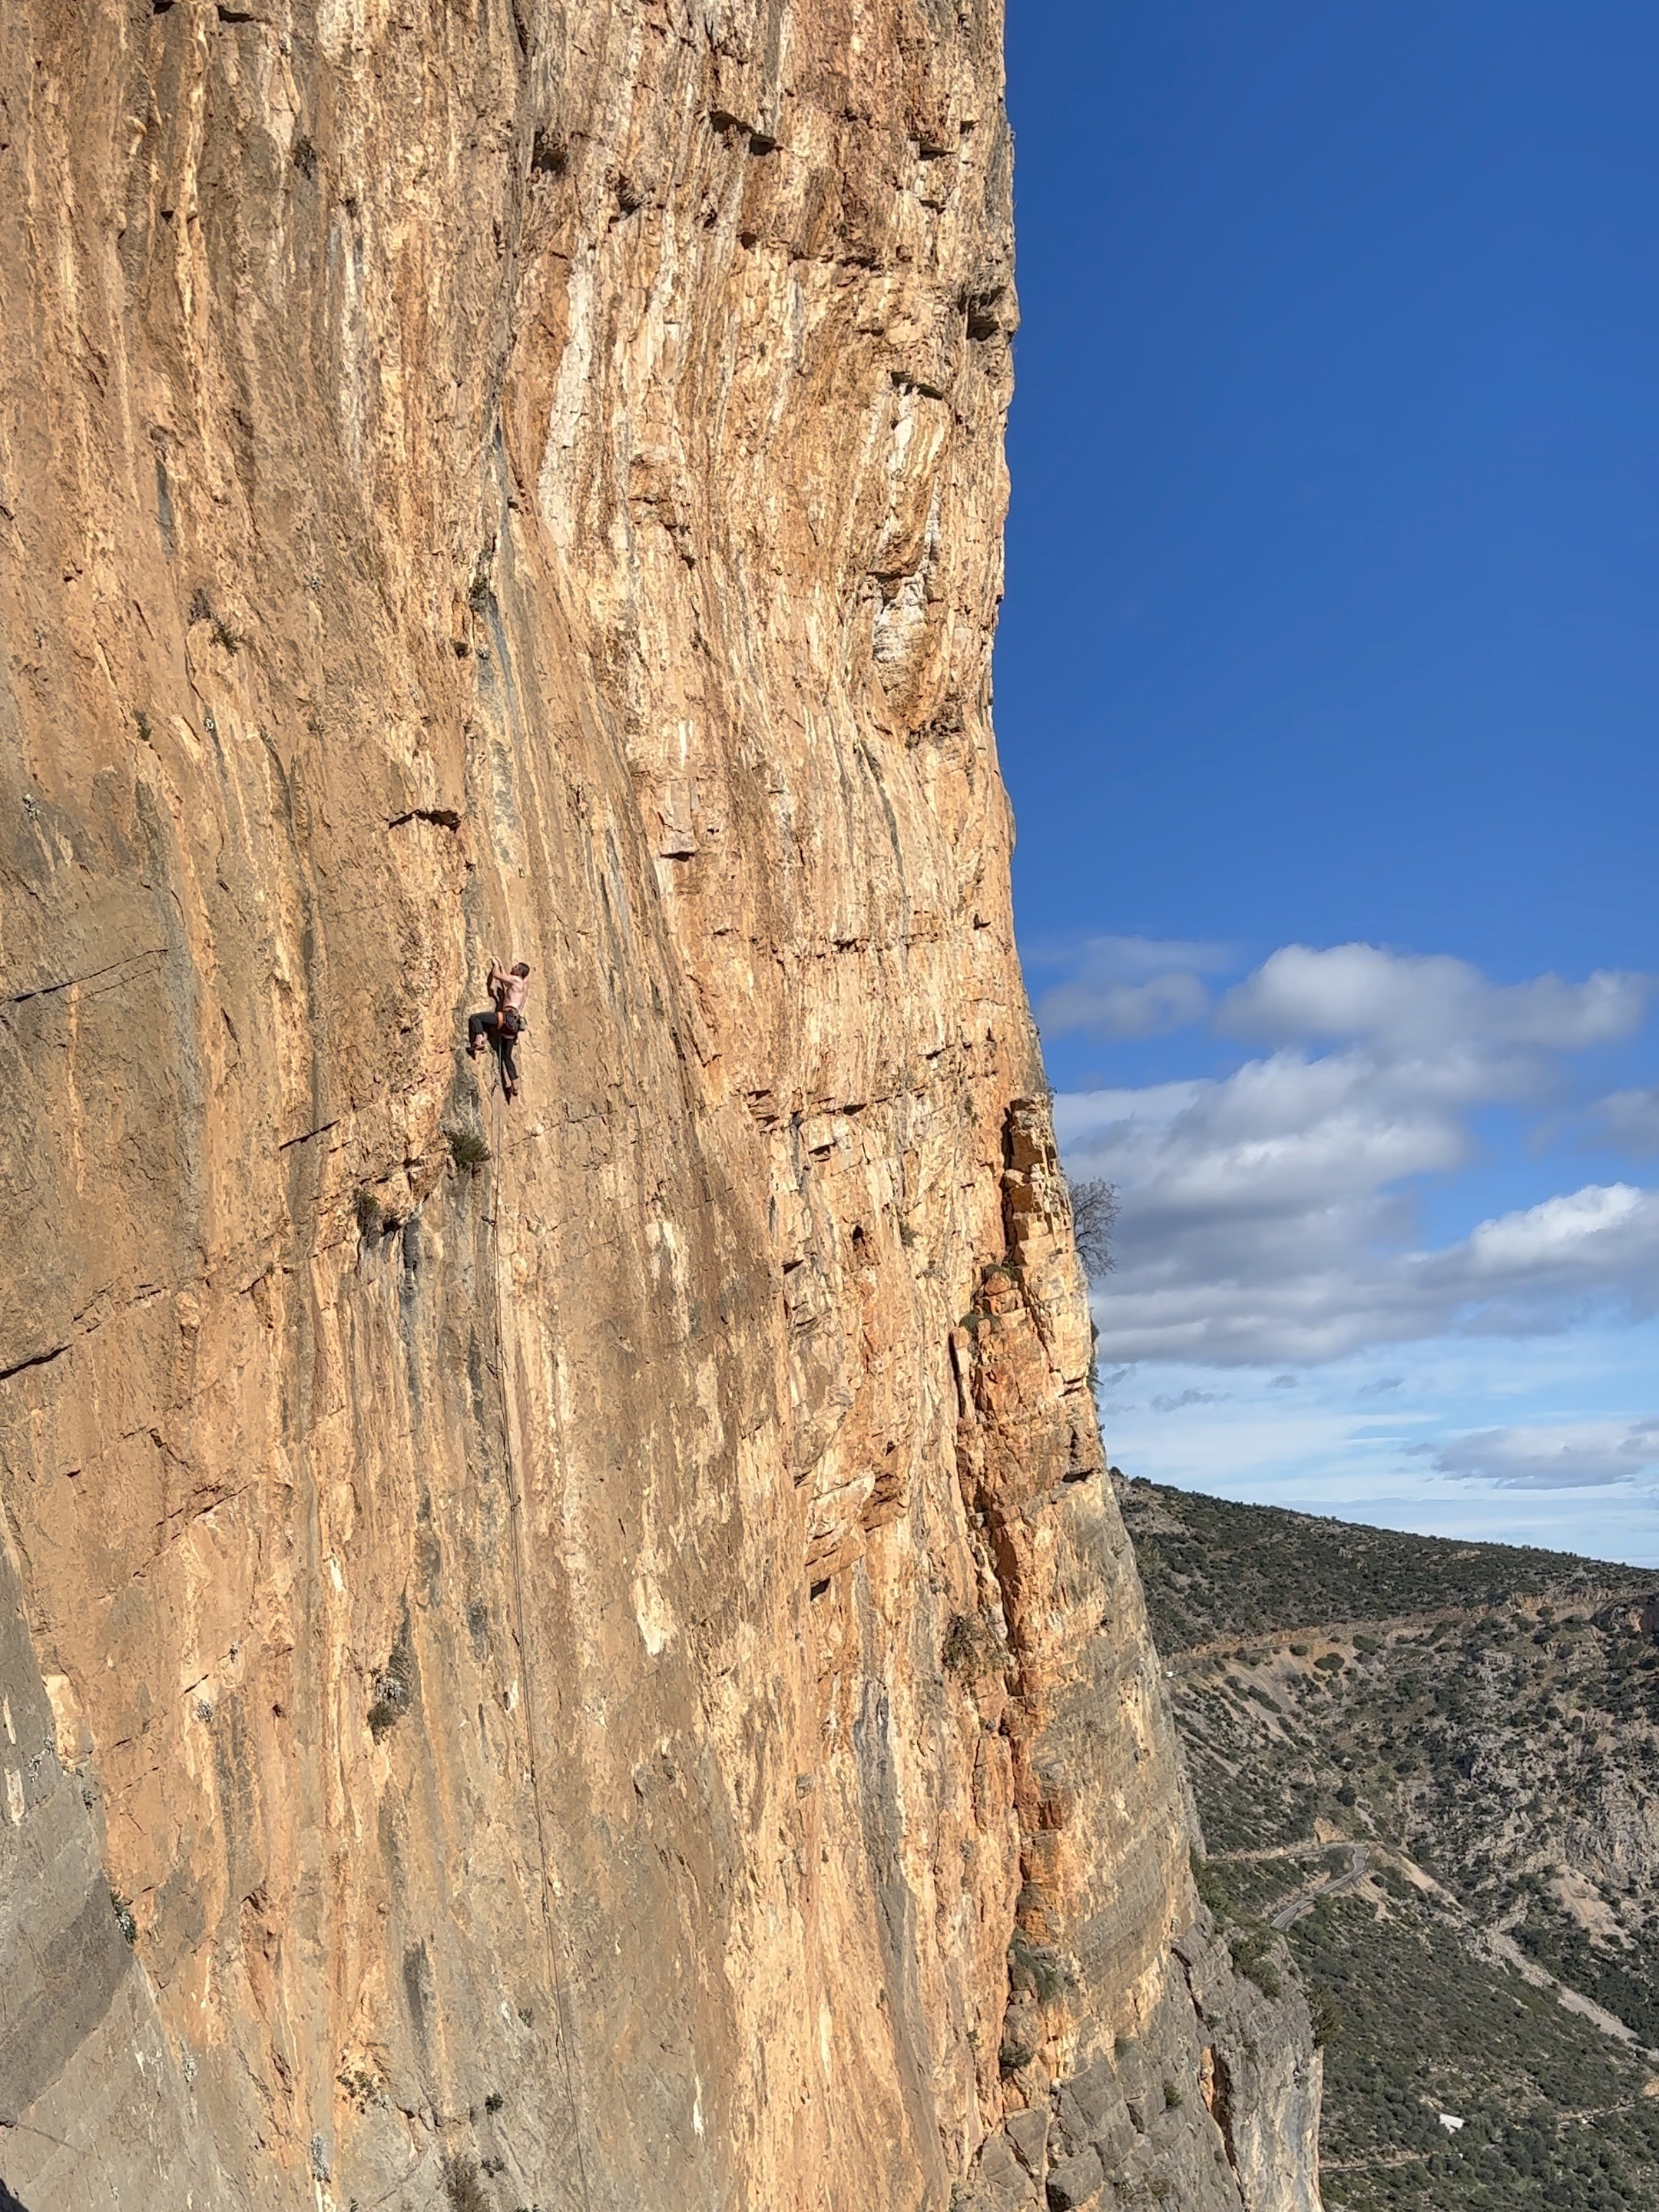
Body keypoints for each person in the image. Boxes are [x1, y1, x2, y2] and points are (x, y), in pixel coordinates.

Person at [468, 958, 530, 1098]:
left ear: (519, 971)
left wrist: (496, 966)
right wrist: (502, 965)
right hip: (514, 1025)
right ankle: (515, 1085)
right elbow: (506, 982)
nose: (512, 968)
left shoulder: (516, 981)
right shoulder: (523, 986)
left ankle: (479, 1040)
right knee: (507, 1056)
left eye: (515, 967)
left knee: (476, 1018)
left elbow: (497, 976)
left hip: (506, 1017)